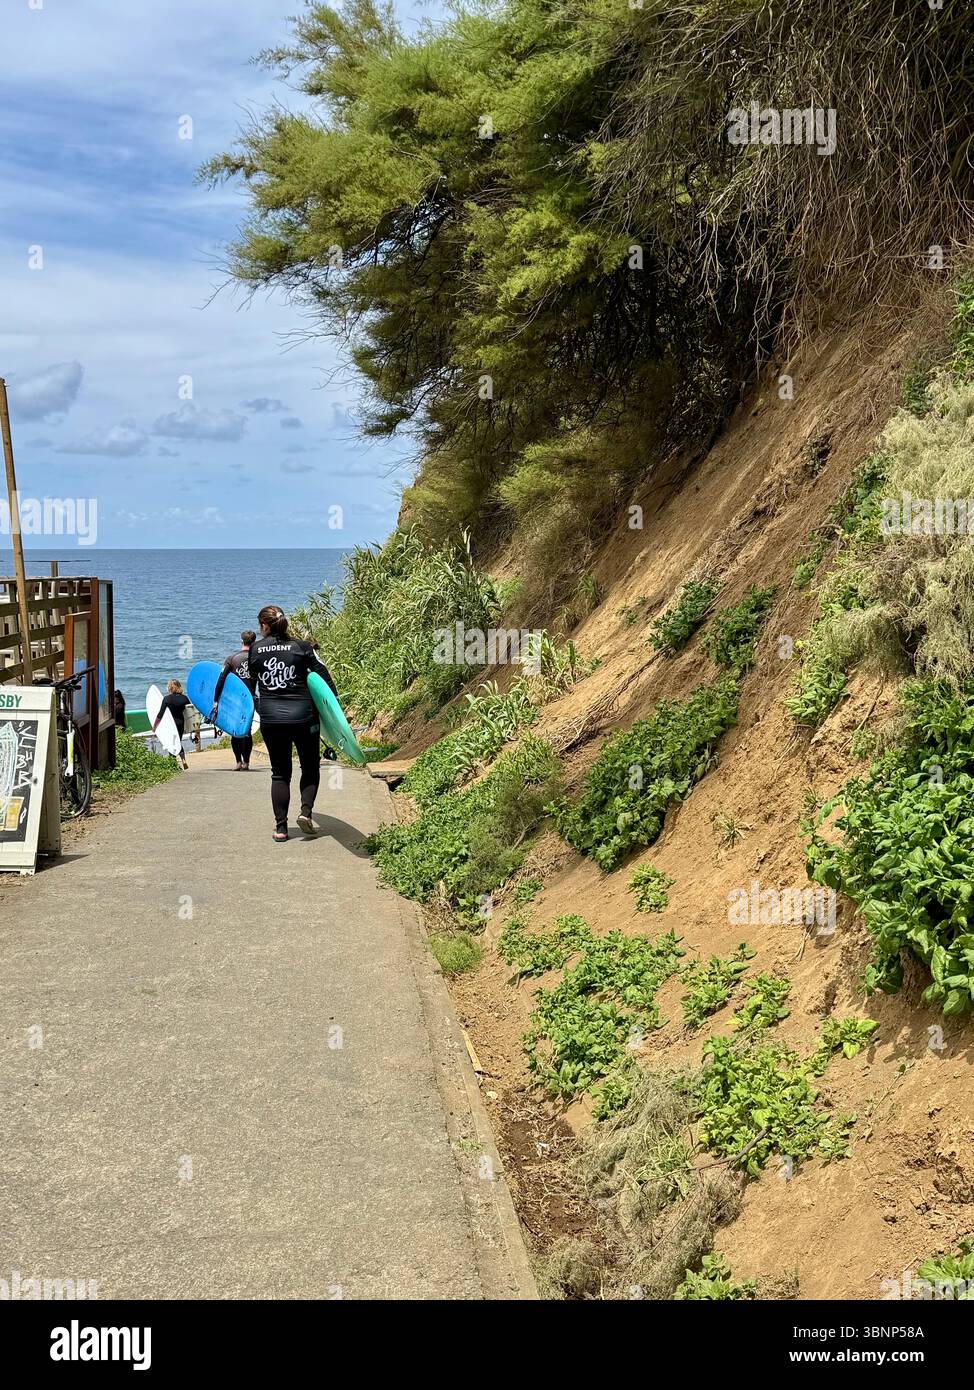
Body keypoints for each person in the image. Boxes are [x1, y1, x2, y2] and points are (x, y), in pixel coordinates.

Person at [247, 605, 337, 842]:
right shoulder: (302, 647)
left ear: (265, 626)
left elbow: (250, 685)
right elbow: (323, 677)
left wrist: (255, 708)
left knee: (279, 773)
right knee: (309, 767)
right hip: (304, 717)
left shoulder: (256, 649)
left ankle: (281, 828)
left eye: (260, 624)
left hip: (271, 719)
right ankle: (305, 813)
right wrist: (335, 713)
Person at [210, 630, 257, 770]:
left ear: (241, 641)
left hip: (235, 701)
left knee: (235, 731)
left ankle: (238, 762)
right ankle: (247, 762)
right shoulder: (257, 658)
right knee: (247, 731)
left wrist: (216, 699)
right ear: (253, 642)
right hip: (250, 699)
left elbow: (221, 679)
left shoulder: (232, 659)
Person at [152, 678, 190, 770]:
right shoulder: (184, 698)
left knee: (171, 743)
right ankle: (183, 759)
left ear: (170, 687)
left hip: (170, 724)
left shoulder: (167, 699)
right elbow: (190, 711)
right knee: (178, 742)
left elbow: (160, 714)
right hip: (180, 722)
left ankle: (173, 764)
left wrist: (155, 726)